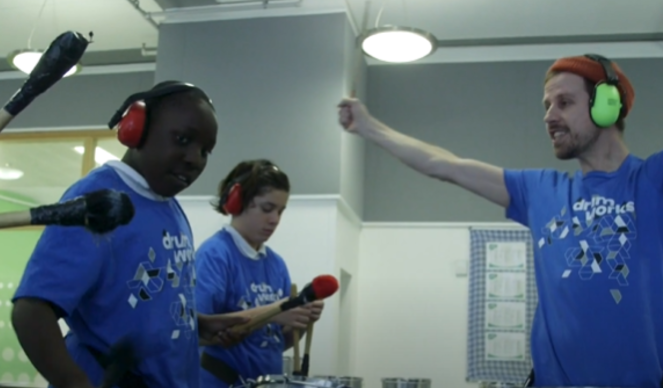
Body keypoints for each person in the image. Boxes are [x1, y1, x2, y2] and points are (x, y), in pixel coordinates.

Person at [338, 54, 663, 388]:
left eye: (564, 102)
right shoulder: (540, 191)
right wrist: (367, 127)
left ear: (609, 105)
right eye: (547, 105)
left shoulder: (652, 181)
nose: (549, 116)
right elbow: (445, 165)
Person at [11, 80, 248, 388]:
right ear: (136, 128)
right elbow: (31, 311)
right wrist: (74, 382)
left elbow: (144, 305)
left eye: (205, 151)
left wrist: (197, 325)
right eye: (182, 139)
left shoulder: (169, 207)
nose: (194, 159)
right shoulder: (97, 199)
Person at [194, 159, 324, 388]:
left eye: (280, 211)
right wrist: (276, 310)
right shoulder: (215, 255)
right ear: (237, 202)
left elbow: (275, 341)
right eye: (267, 208)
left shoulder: (276, 264)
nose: (274, 220)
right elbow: (197, 331)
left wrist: (301, 321)